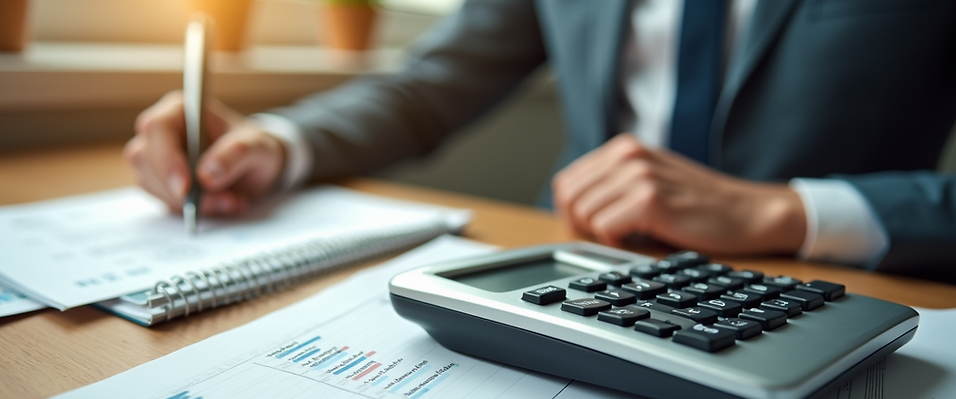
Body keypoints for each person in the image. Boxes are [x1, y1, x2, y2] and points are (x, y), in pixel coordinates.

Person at [126, 0, 956, 282]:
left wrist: (790, 212)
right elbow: (432, 82)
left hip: (828, 282)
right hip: (571, 264)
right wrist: (278, 141)